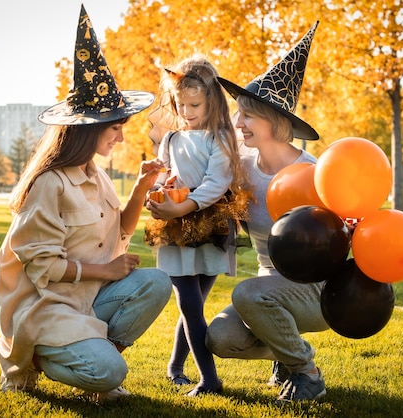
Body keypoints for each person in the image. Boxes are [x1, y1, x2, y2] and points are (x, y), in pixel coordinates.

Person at [0, 5, 171, 402]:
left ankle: (96, 356)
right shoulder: (49, 184)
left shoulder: (95, 173)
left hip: (87, 300)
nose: (121, 139)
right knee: (109, 372)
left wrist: (142, 186)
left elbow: (119, 233)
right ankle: (37, 359)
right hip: (48, 309)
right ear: (88, 132)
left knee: (156, 283)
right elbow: (44, 266)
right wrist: (105, 270)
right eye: (116, 128)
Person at [205, 22, 330, 404]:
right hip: (268, 287)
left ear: (274, 122)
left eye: (247, 116)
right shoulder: (240, 165)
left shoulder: (312, 173)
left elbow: (339, 237)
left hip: (315, 291)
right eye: (238, 114)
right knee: (219, 338)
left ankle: (306, 372)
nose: (237, 123)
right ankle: (286, 354)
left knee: (247, 293)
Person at [144, 54, 250, 396]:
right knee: (189, 305)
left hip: (210, 227)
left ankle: (176, 368)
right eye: (180, 103)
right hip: (175, 231)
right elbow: (166, 177)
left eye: (194, 104)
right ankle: (209, 380)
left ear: (211, 101)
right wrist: (157, 192)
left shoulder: (220, 136)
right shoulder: (172, 139)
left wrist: (183, 208)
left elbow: (215, 183)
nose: (186, 111)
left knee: (194, 307)